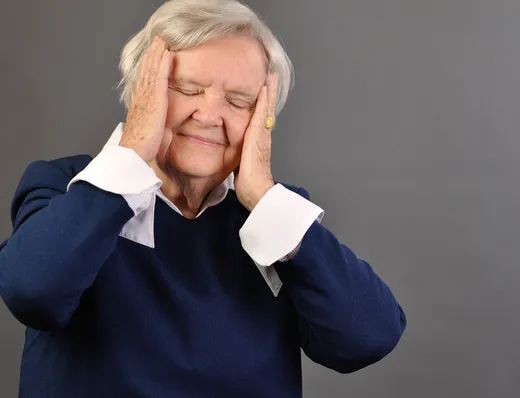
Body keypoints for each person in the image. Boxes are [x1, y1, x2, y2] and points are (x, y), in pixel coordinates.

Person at [0, 0, 406, 396]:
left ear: (263, 119)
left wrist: (266, 200)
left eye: (239, 101)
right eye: (187, 89)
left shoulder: (273, 218)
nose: (210, 116)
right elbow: (33, 293)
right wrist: (131, 153)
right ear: (143, 94)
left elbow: (366, 338)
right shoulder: (66, 185)